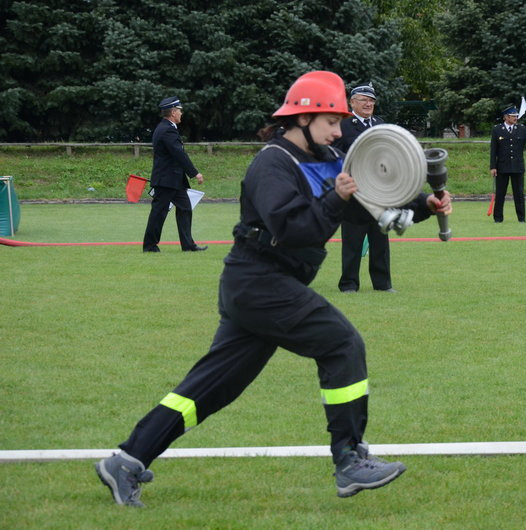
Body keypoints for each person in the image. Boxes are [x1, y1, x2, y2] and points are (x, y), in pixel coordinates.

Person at [95, 71, 452, 506]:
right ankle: (350, 460)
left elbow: (367, 206)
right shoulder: (272, 163)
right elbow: (296, 228)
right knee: (342, 345)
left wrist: (424, 205)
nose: (340, 132)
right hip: (260, 282)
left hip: (263, 287)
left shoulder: (326, 157)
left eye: (340, 122)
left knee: (209, 389)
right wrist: (336, 198)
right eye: (331, 121)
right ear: (302, 120)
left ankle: (126, 461)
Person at [332, 83, 393, 293]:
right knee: (352, 240)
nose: (368, 104)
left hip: (378, 192)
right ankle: (349, 284)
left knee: (380, 241)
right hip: (354, 192)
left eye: (371, 101)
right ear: (352, 102)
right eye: (363, 100)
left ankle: (383, 284)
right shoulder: (342, 126)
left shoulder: (380, 124)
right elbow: (333, 156)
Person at [142, 96, 207, 252]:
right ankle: (150, 246)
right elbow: (179, 154)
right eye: (179, 111)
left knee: (185, 208)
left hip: (174, 180)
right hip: (166, 180)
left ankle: (188, 245)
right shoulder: (167, 129)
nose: (181, 114)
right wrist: (194, 173)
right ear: (172, 112)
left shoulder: (165, 127)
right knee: (159, 212)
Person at [489, 106, 526, 223]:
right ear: (506, 117)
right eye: (513, 116)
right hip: (502, 167)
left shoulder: (521, 129)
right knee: (500, 194)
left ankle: (521, 219)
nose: (515, 118)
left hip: (517, 167)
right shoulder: (497, 129)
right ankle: (498, 219)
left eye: (516, 116)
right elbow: (493, 149)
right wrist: (493, 166)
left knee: (519, 194)